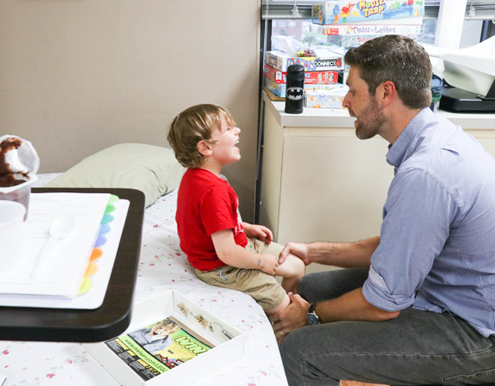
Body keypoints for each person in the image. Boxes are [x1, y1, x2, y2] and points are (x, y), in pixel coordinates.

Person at [273, 34, 495, 385]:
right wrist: (314, 251)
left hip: (476, 333)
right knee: (311, 288)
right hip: (441, 289)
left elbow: (383, 303)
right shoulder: (437, 138)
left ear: (385, 93)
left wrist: (311, 316)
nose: (346, 102)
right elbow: (403, 244)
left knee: (302, 351)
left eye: (353, 91)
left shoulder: (426, 173)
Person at [167, 104, 306, 328]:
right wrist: (260, 263)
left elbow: (210, 220)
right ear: (205, 147)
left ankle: (281, 304)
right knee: (286, 309)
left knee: (296, 266)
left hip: (236, 247)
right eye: (229, 129)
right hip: (223, 267)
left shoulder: (198, 178)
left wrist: (244, 227)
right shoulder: (212, 190)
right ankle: (281, 325)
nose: (238, 131)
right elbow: (226, 252)